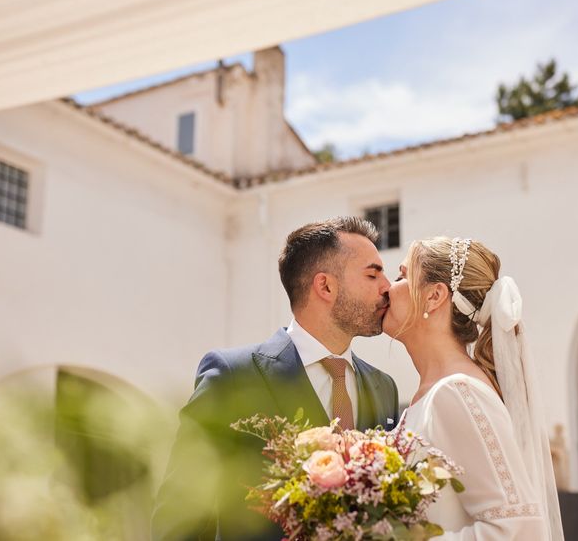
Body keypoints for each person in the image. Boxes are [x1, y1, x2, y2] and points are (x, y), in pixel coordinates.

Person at [152, 217, 400, 541]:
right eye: (373, 273)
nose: (387, 286)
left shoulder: (385, 388)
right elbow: (181, 515)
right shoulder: (233, 375)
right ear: (325, 286)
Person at [383, 237, 564, 540]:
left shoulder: (456, 393)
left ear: (434, 296)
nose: (389, 287)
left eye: (402, 276)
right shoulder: (434, 395)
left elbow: (522, 529)